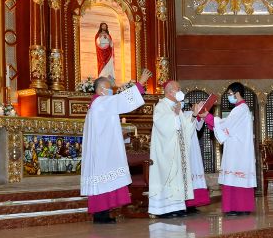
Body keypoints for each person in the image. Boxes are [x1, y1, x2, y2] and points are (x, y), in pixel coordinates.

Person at [81, 68, 153, 223]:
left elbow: (105, 128)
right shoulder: (101, 102)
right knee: (103, 181)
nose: (111, 92)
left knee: (103, 182)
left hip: (102, 149)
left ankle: (103, 214)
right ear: (101, 90)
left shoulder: (97, 105)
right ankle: (101, 215)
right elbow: (121, 101)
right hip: (103, 152)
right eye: (109, 88)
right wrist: (140, 83)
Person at [200, 82, 256, 216]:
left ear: (237, 93)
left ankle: (240, 207)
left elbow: (226, 125)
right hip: (236, 149)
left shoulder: (241, 109)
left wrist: (208, 116)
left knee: (236, 176)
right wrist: (209, 120)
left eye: (230, 94)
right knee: (234, 177)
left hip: (238, 151)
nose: (229, 97)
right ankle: (237, 207)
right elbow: (225, 127)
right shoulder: (240, 109)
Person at [148, 81, 194, 219]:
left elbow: (184, 127)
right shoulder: (161, 106)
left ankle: (178, 207)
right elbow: (160, 123)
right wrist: (174, 115)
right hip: (166, 151)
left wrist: (194, 116)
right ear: (170, 91)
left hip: (177, 150)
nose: (180, 91)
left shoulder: (176, 107)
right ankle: (164, 209)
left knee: (178, 177)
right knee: (168, 176)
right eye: (178, 89)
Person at [183, 99, 211, 213]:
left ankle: (193, 204)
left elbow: (198, 126)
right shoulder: (178, 115)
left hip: (193, 148)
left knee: (195, 172)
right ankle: (185, 204)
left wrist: (200, 110)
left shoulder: (190, 114)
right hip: (185, 149)